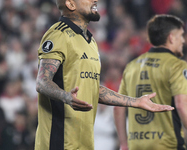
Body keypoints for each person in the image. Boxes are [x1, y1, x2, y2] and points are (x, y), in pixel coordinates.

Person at [35, 0, 174, 149]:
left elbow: (93, 88)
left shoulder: (90, 41)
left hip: (84, 144)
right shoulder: (58, 34)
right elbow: (42, 81)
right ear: (71, 4)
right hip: (58, 143)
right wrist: (65, 96)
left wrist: (135, 102)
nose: (95, 0)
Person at [114, 14, 187, 150]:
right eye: (181, 35)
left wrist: (124, 144)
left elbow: (118, 108)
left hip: (136, 145)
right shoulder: (177, 66)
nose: (183, 40)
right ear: (171, 37)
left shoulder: (131, 66)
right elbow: (182, 105)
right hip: (167, 145)